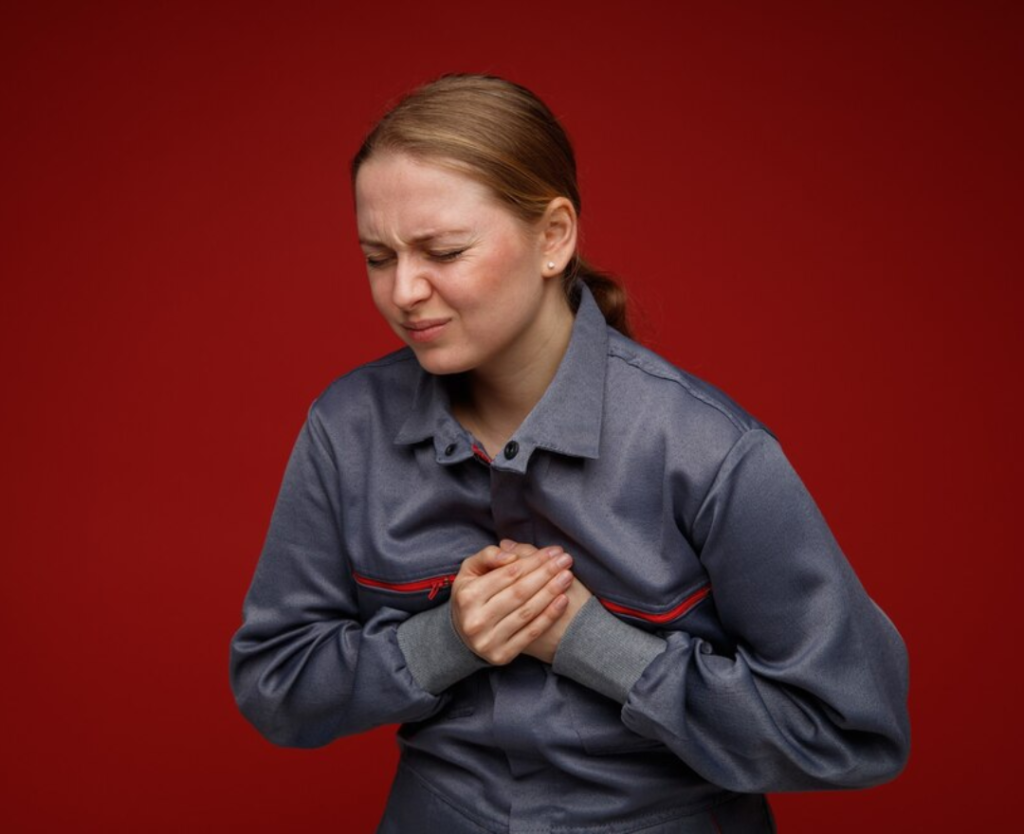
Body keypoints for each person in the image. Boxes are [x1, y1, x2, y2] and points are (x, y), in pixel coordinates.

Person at [229, 73, 910, 833]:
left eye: (443, 251)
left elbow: (852, 730)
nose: (404, 291)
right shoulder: (345, 427)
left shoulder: (709, 449)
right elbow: (274, 683)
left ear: (554, 237)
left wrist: (596, 646)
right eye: (377, 257)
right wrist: (443, 642)